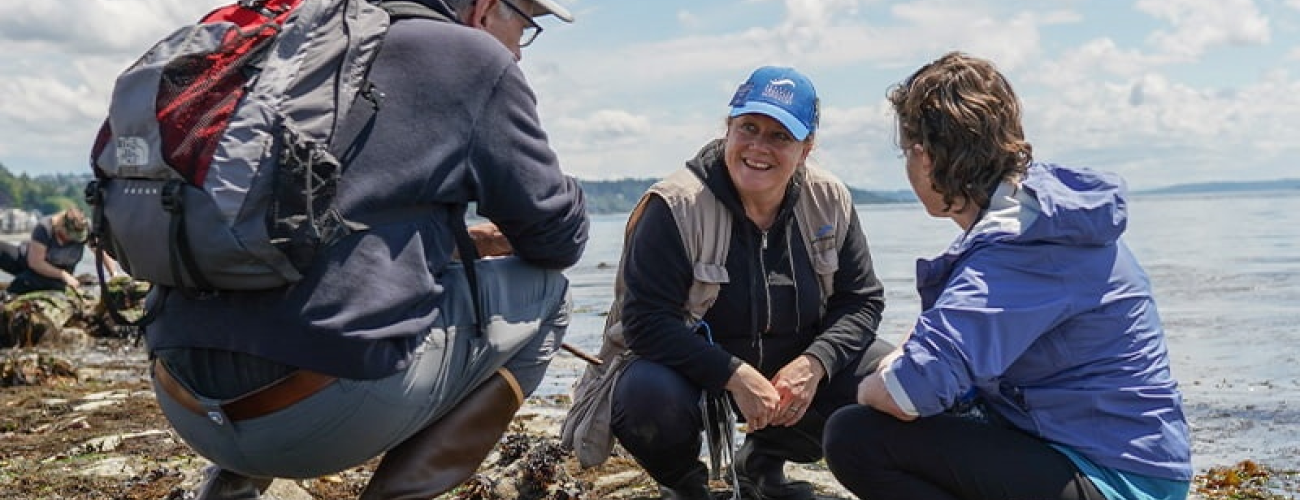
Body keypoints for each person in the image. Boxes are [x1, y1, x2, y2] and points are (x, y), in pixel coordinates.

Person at [142, 0, 589, 499]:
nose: (521, 52)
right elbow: (558, 238)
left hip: (183, 399)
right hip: (310, 421)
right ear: (485, 10)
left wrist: (456, 246)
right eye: (526, 26)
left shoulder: (298, 37)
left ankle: (230, 490)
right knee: (550, 295)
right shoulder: (472, 57)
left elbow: (309, 229)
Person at [822, 51, 1191, 500]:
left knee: (855, 436)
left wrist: (874, 380)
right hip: (1118, 458)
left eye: (906, 152)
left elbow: (907, 393)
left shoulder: (1018, 244)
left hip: (1115, 479)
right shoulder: (1043, 214)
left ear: (923, 158)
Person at [609, 65, 893, 500]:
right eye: (749, 128)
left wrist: (814, 364)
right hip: (693, 374)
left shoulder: (830, 199)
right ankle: (687, 486)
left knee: (888, 378)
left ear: (807, 147)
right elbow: (645, 323)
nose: (759, 147)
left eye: (780, 136)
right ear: (729, 128)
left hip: (792, 371)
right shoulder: (674, 205)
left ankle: (761, 464)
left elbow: (862, 301)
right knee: (645, 395)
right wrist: (733, 374)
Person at [0, 207, 120, 295]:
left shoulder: (85, 227)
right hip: (30, 262)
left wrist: (113, 273)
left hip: (53, 277)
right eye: (72, 236)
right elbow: (35, 263)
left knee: (24, 282)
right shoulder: (45, 228)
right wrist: (63, 275)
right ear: (61, 227)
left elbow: (101, 252)